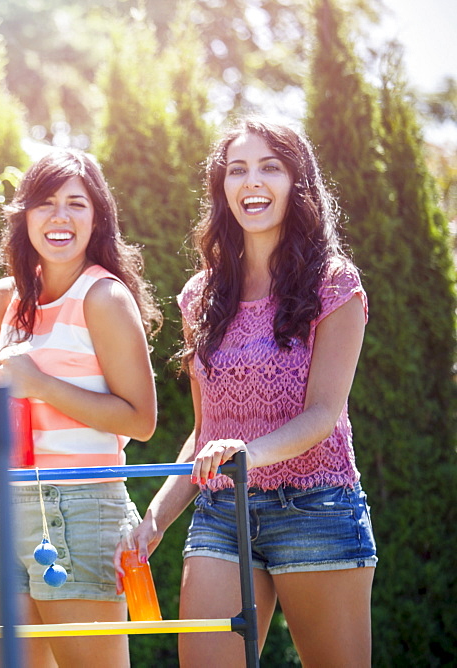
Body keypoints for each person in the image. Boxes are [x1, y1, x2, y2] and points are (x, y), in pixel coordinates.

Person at [132, 118, 377, 666]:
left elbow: (322, 414)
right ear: (222, 188)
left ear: (298, 183)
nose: (252, 182)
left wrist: (248, 453)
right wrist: (155, 518)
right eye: (237, 170)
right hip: (223, 511)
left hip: (315, 506)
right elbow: (205, 432)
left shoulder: (334, 284)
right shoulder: (201, 296)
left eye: (271, 167)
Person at [0, 149, 161, 667]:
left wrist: (41, 384)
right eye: (46, 203)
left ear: (97, 218)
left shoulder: (104, 297)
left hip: (83, 505)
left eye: (76, 204)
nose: (60, 217)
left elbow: (141, 420)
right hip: (11, 508)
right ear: (24, 215)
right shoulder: (2, 300)